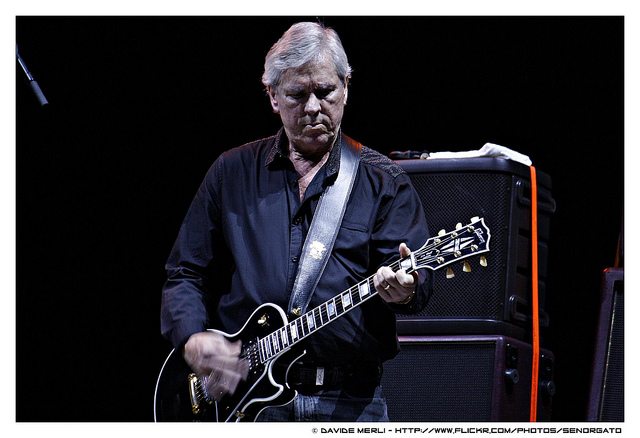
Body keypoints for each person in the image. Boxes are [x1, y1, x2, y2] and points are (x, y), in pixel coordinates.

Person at [160, 21, 431, 422]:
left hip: (350, 402)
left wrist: (405, 290)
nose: (313, 107)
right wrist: (192, 338)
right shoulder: (231, 172)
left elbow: (416, 281)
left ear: (346, 87)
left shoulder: (384, 181)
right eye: (297, 94)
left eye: (325, 91)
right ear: (272, 95)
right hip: (246, 403)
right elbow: (184, 271)